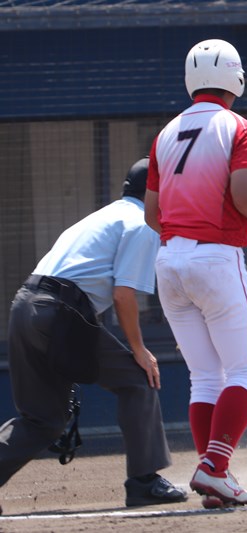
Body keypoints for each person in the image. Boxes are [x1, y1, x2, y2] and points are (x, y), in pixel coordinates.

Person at [0, 158, 187, 509]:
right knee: (138, 379)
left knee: (42, 420)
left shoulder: (101, 217)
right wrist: (139, 349)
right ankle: (144, 481)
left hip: (25, 306)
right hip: (61, 312)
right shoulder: (143, 224)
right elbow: (122, 295)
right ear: (155, 193)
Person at [144, 38, 247, 509]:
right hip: (215, 260)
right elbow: (244, 194)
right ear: (236, 79)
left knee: (205, 378)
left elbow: (152, 215)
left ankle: (212, 474)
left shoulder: (165, 132)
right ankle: (215, 468)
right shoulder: (242, 128)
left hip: (169, 263)